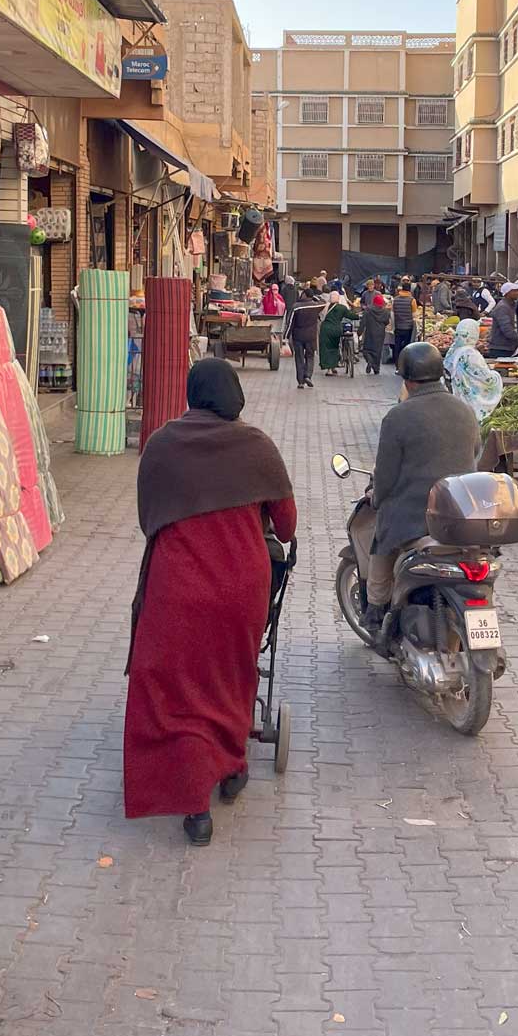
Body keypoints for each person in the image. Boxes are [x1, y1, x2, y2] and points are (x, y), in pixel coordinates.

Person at [125, 359, 295, 847]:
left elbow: (147, 519)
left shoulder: (161, 445)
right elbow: (285, 526)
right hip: (241, 589)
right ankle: (232, 764)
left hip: (175, 590)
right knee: (229, 675)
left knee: (177, 687)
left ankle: (193, 802)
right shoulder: (257, 446)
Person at [352, 342, 480, 621]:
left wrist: (376, 497)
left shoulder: (398, 416)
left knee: (381, 534)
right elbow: (476, 452)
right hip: (461, 514)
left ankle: (375, 608)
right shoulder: (465, 410)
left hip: (415, 518)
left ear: (407, 380)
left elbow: (385, 476)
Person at [285, 286, 325, 388]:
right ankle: (308, 375)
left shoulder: (297, 306)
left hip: (298, 336)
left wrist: (286, 336)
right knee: (310, 356)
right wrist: (314, 297)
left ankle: (301, 381)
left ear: (304, 295)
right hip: (311, 336)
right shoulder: (316, 306)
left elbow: (290, 322)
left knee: (299, 358)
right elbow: (323, 301)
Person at [485, 280, 518, 357]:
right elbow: (506, 328)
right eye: (515, 291)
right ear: (508, 293)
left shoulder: (511, 305)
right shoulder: (503, 307)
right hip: (501, 348)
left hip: (507, 346)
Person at [318, 291, 352, 376]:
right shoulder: (342, 307)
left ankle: (329, 369)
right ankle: (334, 366)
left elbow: (320, 316)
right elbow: (351, 316)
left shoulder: (324, 306)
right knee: (335, 347)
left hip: (325, 329)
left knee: (326, 348)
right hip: (336, 329)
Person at [361, 293, 391, 375]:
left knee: (366, 349)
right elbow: (386, 322)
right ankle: (376, 368)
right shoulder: (385, 311)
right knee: (377, 351)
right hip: (380, 333)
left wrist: (359, 332)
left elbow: (363, 321)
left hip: (369, 331)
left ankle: (369, 360)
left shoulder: (368, 309)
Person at [390, 280, 416, 367]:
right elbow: (414, 315)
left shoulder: (395, 300)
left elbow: (392, 314)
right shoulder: (412, 300)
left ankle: (397, 365)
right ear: (409, 290)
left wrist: (393, 327)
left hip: (398, 327)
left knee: (397, 346)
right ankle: (404, 364)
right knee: (406, 346)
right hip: (408, 328)